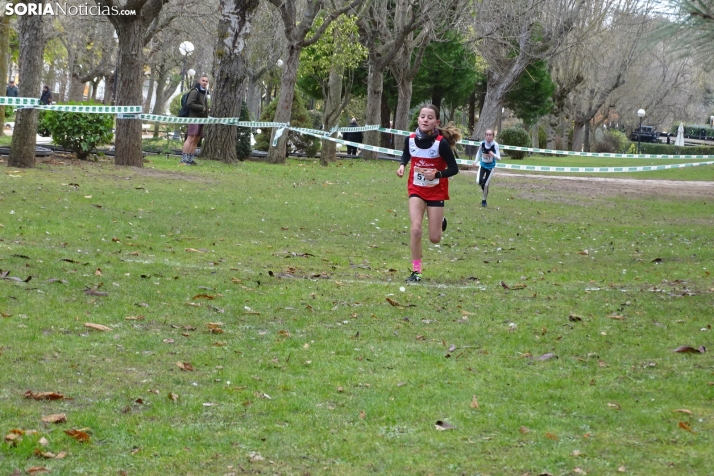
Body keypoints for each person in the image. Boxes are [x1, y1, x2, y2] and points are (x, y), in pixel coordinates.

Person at [396, 105, 461, 283]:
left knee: (435, 238)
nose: (425, 119)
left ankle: (440, 222)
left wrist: (437, 174)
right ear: (418, 120)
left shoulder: (441, 143)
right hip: (416, 189)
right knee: (416, 229)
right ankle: (416, 271)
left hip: (436, 191)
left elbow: (454, 168)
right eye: (422, 116)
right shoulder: (409, 139)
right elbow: (405, 156)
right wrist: (402, 165)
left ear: (436, 122)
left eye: (430, 117)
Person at [180, 74, 209, 166]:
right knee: (190, 137)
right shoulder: (195, 91)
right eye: (203, 80)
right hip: (194, 118)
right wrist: (202, 108)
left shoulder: (205, 92)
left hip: (202, 119)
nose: (204, 82)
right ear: (199, 81)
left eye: (206, 81)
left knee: (197, 138)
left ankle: (190, 159)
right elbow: (190, 104)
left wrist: (207, 110)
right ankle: (184, 160)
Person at [475, 129, 500, 207]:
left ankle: (484, 200)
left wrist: (493, 155)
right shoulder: (482, 144)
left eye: (490, 135)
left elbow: (499, 158)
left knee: (486, 185)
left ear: (493, 136)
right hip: (482, 165)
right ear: (485, 135)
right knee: (478, 182)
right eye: (487, 135)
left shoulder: (495, 145)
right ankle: (484, 183)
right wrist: (475, 161)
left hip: (491, 167)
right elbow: (479, 153)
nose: (488, 136)